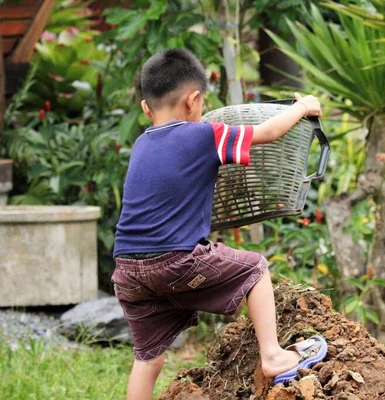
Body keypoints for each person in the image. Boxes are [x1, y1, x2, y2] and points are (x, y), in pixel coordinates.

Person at [111, 48, 327, 400]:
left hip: (127, 271)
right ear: (194, 100)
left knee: (147, 359)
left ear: (146, 109)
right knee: (255, 268)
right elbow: (268, 133)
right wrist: (303, 107)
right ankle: (272, 355)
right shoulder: (203, 135)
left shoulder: (141, 144)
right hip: (175, 262)